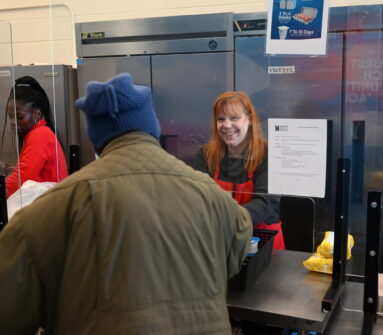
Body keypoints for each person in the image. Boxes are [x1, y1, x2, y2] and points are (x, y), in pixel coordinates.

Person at [0, 73, 252, 334]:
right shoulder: (211, 195)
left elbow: (9, 312)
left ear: (95, 139)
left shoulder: (56, 207)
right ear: (152, 129)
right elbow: (236, 250)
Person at [194, 91, 285, 249]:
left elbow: (265, 204)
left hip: (263, 241)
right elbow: (200, 199)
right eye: (221, 119)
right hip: (220, 241)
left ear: (249, 119)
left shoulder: (269, 153)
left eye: (234, 118)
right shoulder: (206, 155)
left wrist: (227, 219)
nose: (227, 125)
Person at [0, 76, 68, 198]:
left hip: (49, 205)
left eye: (19, 117)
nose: (13, 122)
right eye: (11, 117)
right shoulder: (37, 133)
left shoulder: (40, 135)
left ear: (37, 114)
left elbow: (20, 179)